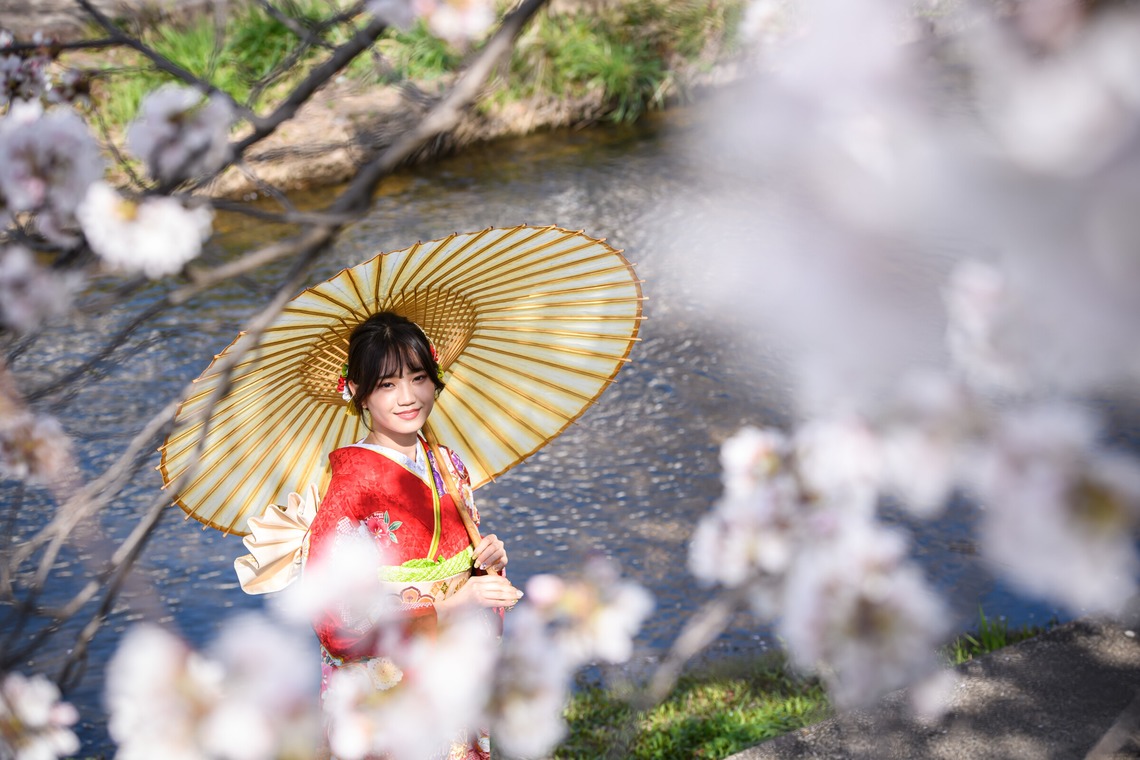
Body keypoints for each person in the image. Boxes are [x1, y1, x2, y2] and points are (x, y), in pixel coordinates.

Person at [306, 311, 523, 759]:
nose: (408, 397)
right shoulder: (350, 486)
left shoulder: (449, 463)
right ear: (358, 392)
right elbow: (335, 619)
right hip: (390, 681)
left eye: (419, 377)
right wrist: (449, 606)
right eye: (387, 384)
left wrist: (487, 564)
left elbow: (465, 569)